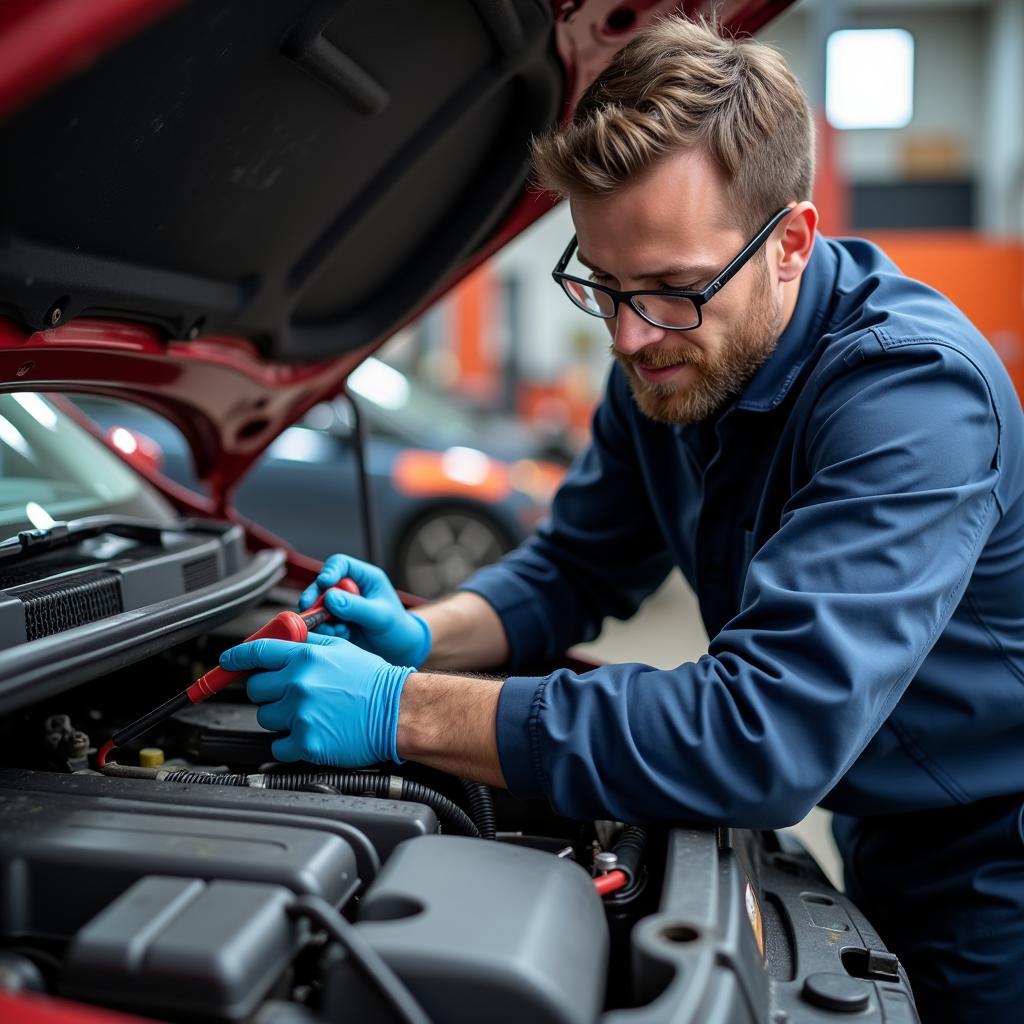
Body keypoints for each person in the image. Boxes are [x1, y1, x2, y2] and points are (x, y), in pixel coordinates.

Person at [220, 16, 1024, 1022]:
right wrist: (430, 633)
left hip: (996, 860)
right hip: (878, 814)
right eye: (605, 285)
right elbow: (573, 567)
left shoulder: (911, 400)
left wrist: (404, 706)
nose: (634, 334)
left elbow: (759, 732)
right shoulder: (670, 363)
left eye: (676, 290)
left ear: (789, 244)